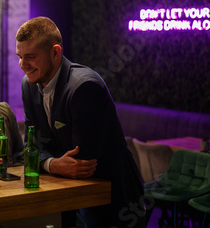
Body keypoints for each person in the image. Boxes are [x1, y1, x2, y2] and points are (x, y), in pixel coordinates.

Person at [15, 17, 145, 228]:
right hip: (71, 196)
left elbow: (81, 163)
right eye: (20, 57)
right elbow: (32, 145)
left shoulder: (84, 87)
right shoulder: (28, 84)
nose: (22, 65)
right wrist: (53, 164)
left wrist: (45, 160)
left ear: (55, 52)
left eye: (30, 57)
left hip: (113, 199)